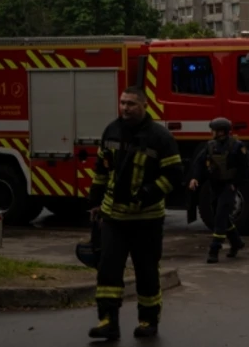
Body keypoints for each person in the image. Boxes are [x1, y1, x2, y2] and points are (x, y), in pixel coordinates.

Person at [87, 85, 183, 340]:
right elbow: (101, 168)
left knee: (147, 271)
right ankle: (108, 321)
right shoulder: (111, 130)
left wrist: (148, 193)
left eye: (131, 103)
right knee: (108, 270)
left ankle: (148, 321)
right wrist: (95, 200)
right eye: (122, 102)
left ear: (144, 105)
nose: (125, 108)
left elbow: (174, 174)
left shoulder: (160, 137)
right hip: (113, 217)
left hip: (147, 220)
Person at [189, 117, 248, 264]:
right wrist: (195, 178)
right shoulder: (210, 146)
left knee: (220, 217)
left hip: (229, 186)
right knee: (219, 214)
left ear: (221, 132)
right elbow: (199, 163)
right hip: (215, 186)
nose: (211, 133)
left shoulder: (237, 146)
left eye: (213, 130)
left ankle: (214, 250)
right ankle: (236, 242)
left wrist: (235, 184)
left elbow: (245, 169)